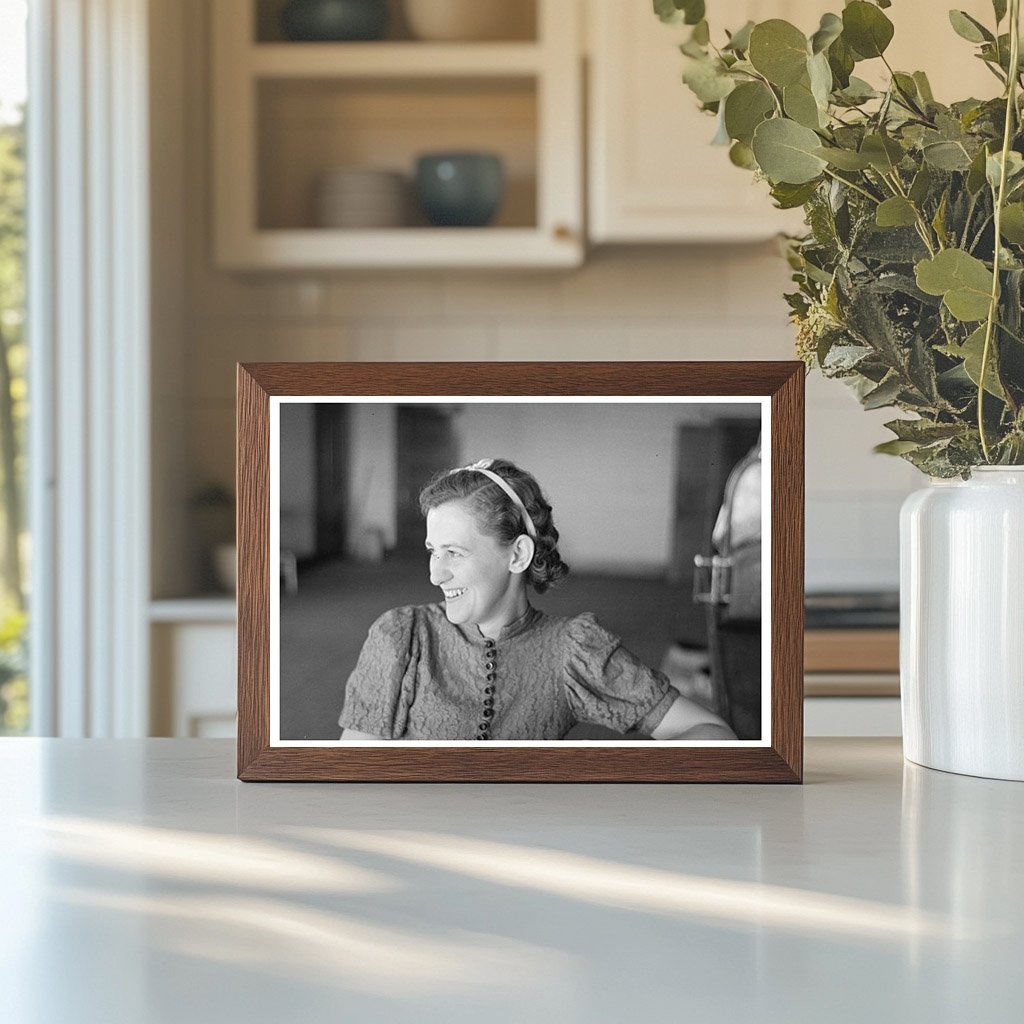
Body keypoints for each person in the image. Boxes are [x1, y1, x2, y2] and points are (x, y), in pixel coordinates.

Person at [339, 458, 736, 741]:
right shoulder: (402, 638)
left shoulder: (572, 650)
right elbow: (354, 780)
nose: (435, 574)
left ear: (517, 555)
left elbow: (710, 732)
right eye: (433, 551)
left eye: (454, 553)